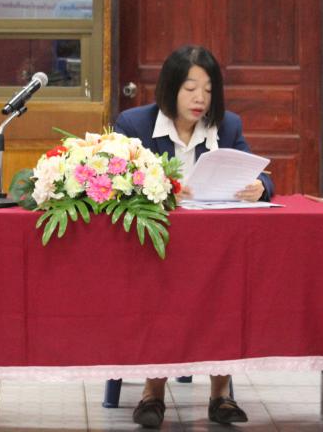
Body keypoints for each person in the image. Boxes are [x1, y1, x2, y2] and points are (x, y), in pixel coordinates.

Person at [114, 45, 273, 428]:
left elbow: (259, 174)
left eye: (208, 89)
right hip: (158, 249)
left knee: (229, 289)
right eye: (190, 89)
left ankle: (221, 395)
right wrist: (160, 188)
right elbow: (117, 180)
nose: (200, 98)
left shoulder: (227, 126)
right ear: (170, 88)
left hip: (215, 248)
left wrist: (259, 187)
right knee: (162, 291)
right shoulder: (134, 125)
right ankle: (152, 393)